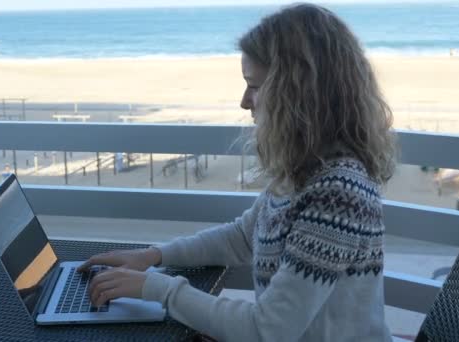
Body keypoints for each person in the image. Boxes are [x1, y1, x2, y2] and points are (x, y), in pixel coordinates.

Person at [78, 4, 396, 341]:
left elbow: (266, 330)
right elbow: (243, 237)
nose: (245, 102)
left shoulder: (337, 192)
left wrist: (158, 289)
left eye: (255, 86)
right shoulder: (307, 168)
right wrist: (152, 256)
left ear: (298, 95)